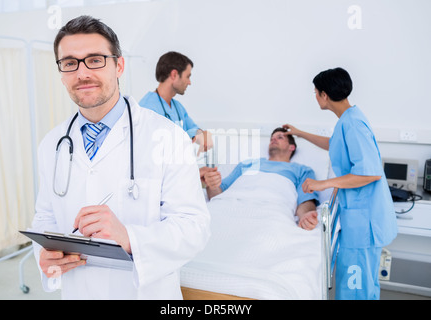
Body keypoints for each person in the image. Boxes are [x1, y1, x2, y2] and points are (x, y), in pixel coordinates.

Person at [31, 15, 210, 300]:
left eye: (95, 60)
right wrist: (44, 256)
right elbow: (45, 217)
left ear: (119, 66)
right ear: (62, 72)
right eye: (70, 63)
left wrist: (129, 238)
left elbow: (194, 227)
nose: (82, 73)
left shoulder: (168, 136)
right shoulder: (52, 144)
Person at [283, 67, 397, 300]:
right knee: (362, 285)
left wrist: (323, 184)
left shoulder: (352, 124)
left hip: (363, 223)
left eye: (316, 92)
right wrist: (300, 133)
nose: (315, 97)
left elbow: (370, 173)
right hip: (358, 218)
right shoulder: (348, 119)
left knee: (355, 289)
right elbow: (332, 143)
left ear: (324, 95)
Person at [202, 127, 319, 231]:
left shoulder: (301, 170)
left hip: (272, 209)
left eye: (280, 137)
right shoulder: (247, 164)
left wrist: (306, 216)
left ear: (291, 147)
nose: (273, 140)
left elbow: (305, 200)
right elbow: (216, 194)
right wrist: (211, 183)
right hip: (227, 205)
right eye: (272, 138)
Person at [139, 51, 213, 154]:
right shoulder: (146, 109)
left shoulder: (178, 107)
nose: (189, 82)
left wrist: (203, 134)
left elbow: (192, 128)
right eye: (187, 76)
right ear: (174, 75)